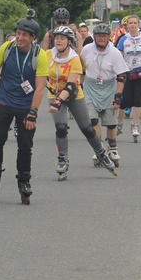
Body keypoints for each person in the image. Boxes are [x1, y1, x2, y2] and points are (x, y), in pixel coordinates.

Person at [0, 10, 48, 204]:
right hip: (4, 101)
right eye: (18, 33)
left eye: (24, 35)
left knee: (25, 145)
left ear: (33, 38)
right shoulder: (7, 48)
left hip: (26, 105)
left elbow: (40, 86)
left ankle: (24, 180)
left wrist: (33, 112)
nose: (19, 37)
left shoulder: (39, 55)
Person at [46, 26, 117, 180]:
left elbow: (71, 85)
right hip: (54, 95)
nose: (58, 40)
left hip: (73, 96)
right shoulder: (47, 55)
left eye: (62, 38)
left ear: (69, 41)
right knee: (61, 128)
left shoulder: (74, 58)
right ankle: (62, 159)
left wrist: (58, 102)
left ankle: (101, 153)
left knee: (87, 128)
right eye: (56, 37)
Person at [80, 23, 129, 167]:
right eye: (99, 36)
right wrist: (80, 87)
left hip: (109, 88)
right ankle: (99, 148)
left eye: (104, 36)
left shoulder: (114, 53)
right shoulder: (87, 50)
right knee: (93, 120)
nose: (101, 38)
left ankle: (112, 148)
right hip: (90, 87)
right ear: (94, 37)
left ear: (109, 37)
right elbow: (81, 70)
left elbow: (121, 76)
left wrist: (118, 95)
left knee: (110, 122)